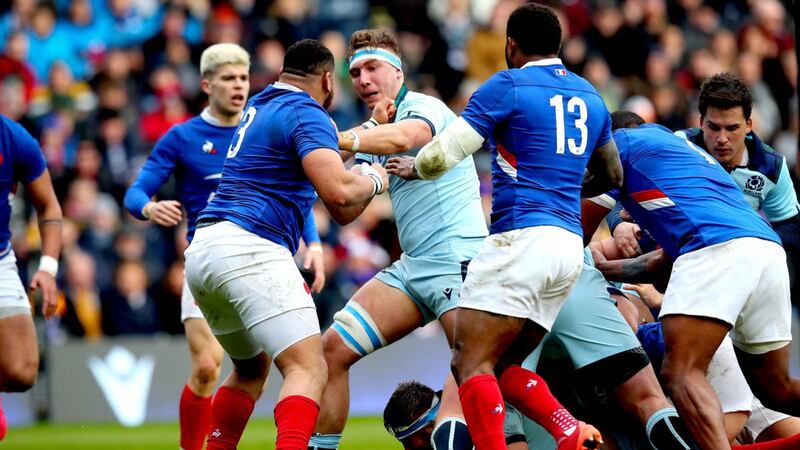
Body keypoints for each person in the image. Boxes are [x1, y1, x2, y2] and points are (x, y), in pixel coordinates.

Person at [388, 4, 622, 449]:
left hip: (521, 238)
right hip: (568, 248)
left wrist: (413, 167)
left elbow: (445, 153)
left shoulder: (507, 86)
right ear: (558, 45)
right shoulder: (591, 95)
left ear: (511, 45)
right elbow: (612, 177)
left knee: (469, 364)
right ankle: (569, 432)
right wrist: (565, 179)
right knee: (503, 365)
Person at [183, 39, 388, 450]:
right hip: (251, 248)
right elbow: (341, 193)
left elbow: (332, 185)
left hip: (204, 251)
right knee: (308, 368)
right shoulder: (306, 112)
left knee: (249, 369)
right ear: (328, 80)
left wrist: (369, 131)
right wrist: (378, 177)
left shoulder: (263, 104)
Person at [123, 43, 326, 450]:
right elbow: (135, 193)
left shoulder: (260, 120)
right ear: (206, 84)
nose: (238, 86)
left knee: (252, 367)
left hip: (248, 253)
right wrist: (148, 206)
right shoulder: (182, 137)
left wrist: (314, 245)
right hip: (220, 253)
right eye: (229, 78)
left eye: (243, 77)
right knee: (207, 365)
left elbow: (290, 187)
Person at [309, 28, 488, 450]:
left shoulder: (423, 107)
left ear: (397, 70)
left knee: (476, 367)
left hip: (457, 261)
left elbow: (407, 138)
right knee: (329, 352)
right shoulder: (376, 132)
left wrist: (330, 140)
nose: (363, 79)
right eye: (354, 72)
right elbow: (345, 210)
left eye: (372, 67)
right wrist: (325, 172)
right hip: (412, 269)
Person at [587, 111, 799, 449]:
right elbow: (661, 262)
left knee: (681, 372)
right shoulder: (680, 150)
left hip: (716, 250)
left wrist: (583, 259)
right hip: (766, 249)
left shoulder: (620, 145)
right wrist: (604, 269)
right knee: (777, 388)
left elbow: (577, 230)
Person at [611, 73, 800, 258]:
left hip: (742, 262)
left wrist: (746, 242)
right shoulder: (678, 145)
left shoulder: (771, 167)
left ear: (749, 124)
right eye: (714, 127)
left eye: (732, 128)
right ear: (701, 122)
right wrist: (618, 223)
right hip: (676, 254)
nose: (722, 139)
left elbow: (792, 227)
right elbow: (618, 181)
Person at [0, 114, 63, 441]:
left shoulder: (12, 137)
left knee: (22, 371)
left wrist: (48, 267)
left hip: (0, 259)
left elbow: (49, 207)